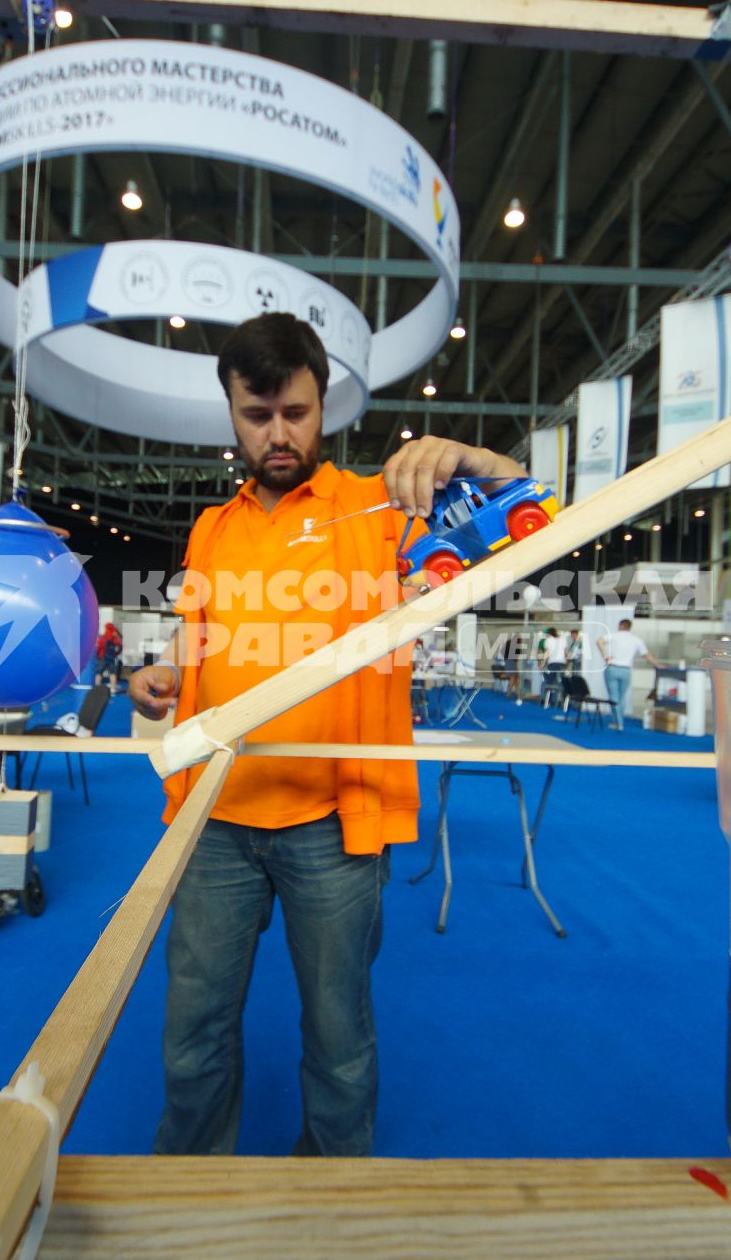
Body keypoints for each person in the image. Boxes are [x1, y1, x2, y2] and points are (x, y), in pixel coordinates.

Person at [129, 312, 527, 1157]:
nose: (279, 434)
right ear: (232, 413)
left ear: (325, 405)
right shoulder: (213, 527)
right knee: (191, 1035)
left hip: (334, 826)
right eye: (257, 415)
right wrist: (167, 670)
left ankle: (333, 1196)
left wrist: (477, 463)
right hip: (213, 819)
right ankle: (184, 1186)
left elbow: (526, 519)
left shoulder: (381, 507)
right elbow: (200, 633)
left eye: (297, 413)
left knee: (339, 1039)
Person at [595, 618, 655, 730]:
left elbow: (599, 641)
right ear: (629, 627)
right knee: (621, 697)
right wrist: (657, 664)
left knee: (614, 696)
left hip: (612, 668)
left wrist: (605, 655)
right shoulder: (636, 639)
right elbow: (646, 654)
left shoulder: (614, 635)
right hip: (626, 670)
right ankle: (619, 721)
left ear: (620, 626)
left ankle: (618, 723)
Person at [539, 627, 567, 707]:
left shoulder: (548, 640)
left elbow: (547, 653)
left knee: (550, 682)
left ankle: (548, 701)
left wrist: (542, 663)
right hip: (562, 663)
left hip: (553, 663)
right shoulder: (562, 639)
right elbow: (565, 653)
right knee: (562, 683)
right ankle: (562, 702)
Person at [95, 621, 124, 689]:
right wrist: (116, 654)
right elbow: (120, 647)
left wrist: (98, 656)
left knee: (99, 673)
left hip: (103, 658)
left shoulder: (103, 637)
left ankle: (97, 688)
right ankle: (113, 688)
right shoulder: (115, 638)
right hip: (112, 658)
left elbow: (98, 647)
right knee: (112, 673)